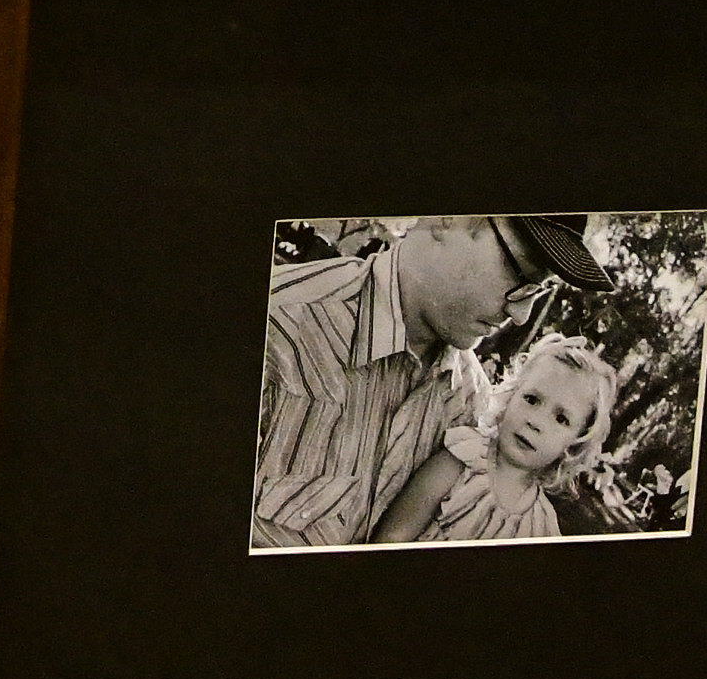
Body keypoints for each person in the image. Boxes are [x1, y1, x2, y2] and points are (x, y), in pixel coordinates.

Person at [251, 216, 569, 549]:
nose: (520, 315)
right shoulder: (279, 321)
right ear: (448, 221)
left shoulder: (470, 403)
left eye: (537, 291)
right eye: (521, 277)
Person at [370, 325, 628, 546]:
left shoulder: (541, 525)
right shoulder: (462, 461)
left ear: (572, 446)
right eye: (531, 399)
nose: (535, 421)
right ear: (510, 397)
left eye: (561, 418)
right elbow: (393, 537)